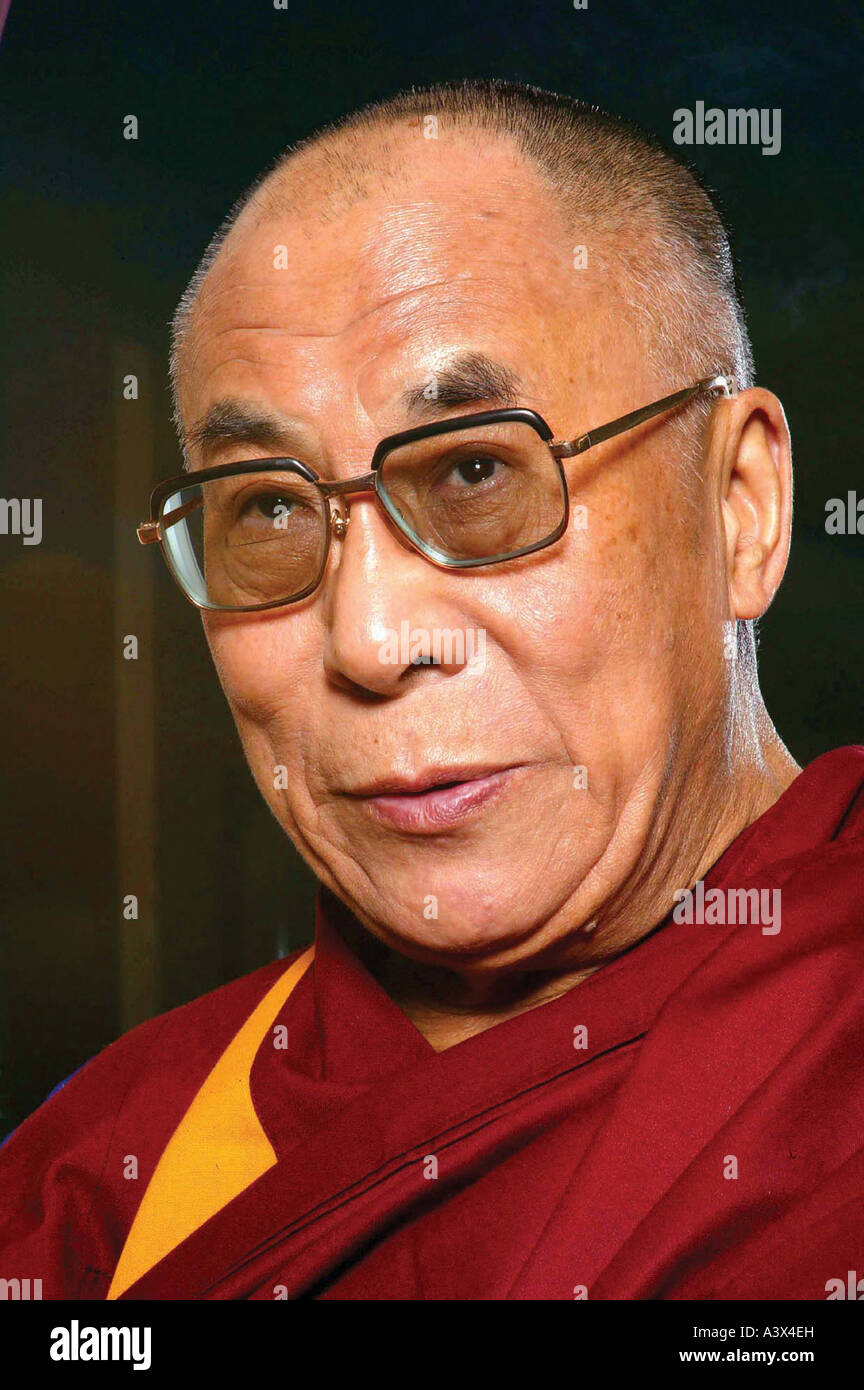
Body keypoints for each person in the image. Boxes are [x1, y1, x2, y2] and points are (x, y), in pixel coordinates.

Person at [2, 78, 862, 1301]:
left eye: (474, 471)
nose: (368, 635)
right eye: (270, 509)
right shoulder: (100, 1184)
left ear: (742, 509)